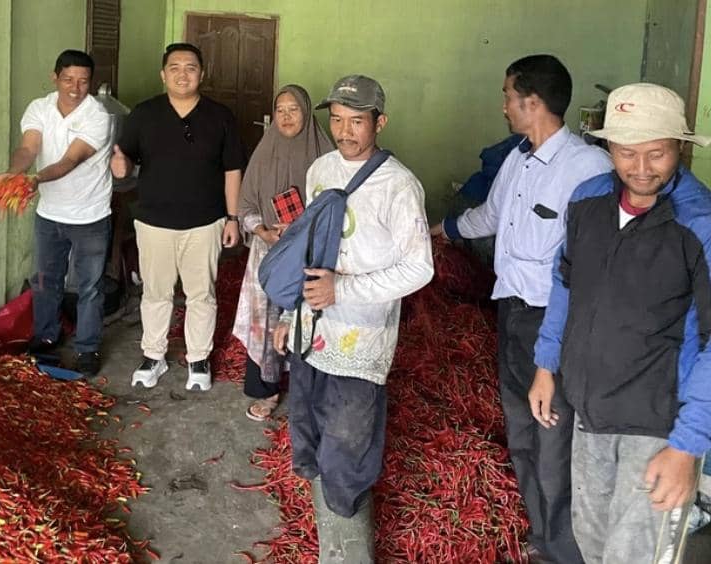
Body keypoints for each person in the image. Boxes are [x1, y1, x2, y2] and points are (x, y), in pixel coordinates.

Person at [431, 54, 612, 563]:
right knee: (522, 433)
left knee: (554, 446)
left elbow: (589, 269)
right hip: (511, 315)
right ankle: (540, 539)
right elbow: (490, 216)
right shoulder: (517, 158)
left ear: (531, 102)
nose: (503, 104)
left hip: (552, 324)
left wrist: (553, 354)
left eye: (507, 95)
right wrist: (441, 230)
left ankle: (564, 551)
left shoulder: (586, 169)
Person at [529, 83, 711, 563]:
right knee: (592, 543)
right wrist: (546, 365)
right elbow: (565, 284)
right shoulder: (588, 201)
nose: (641, 168)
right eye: (627, 152)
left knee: (635, 554)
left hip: (657, 424)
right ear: (609, 147)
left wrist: (688, 445)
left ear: (680, 149)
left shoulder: (699, 224)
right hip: (591, 412)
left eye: (657, 153)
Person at [273, 75, 434, 563]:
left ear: (379, 123)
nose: (344, 131)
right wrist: (288, 312)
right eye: (337, 120)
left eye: (357, 121)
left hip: (360, 342)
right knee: (309, 436)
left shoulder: (399, 186)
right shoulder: (320, 169)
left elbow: (419, 267)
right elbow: (307, 248)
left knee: (347, 449)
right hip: (311, 333)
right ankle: (330, 538)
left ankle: (347, 551)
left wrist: (343, 288)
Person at [112, 43, 246, 391]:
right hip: (154, 221)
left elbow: (233, 170)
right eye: (175, 67)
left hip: (206, 221)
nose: (182, 74)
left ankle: (198, 358)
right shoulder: (144, 114)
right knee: (156, 293)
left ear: (202, 74)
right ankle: (153, 356)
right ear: (163, 74)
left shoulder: (220, 116)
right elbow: (125, 161)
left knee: (202, 294)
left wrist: (232, 217)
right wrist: (121, 167)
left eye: (190, 67)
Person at [0, 49, 113, 376]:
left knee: (89, 286)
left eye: (83, 81)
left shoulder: (97, 116)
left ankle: (87, 348)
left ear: (91, 83)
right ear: (55, 77)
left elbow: (70, 161)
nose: (75, 87)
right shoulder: (39, 108)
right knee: (45, 281)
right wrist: (14, 173)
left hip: (90, 214)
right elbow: (28, 148)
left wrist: (35, 179)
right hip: (50, 214)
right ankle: (45, 338)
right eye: (68, 79)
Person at [232, 84, 333, 421]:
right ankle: (268, 388)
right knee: (266, 319)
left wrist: (299, 231)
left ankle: (307, 389)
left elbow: (334, 206)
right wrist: (262, 229)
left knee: (307, 315)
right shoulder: (264, 152)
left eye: (294, 109)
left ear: (306, 113)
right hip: (268, 251)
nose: (287, 116)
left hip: (309, 251)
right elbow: (246, 203)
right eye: (281, 109)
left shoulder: (325, 157)